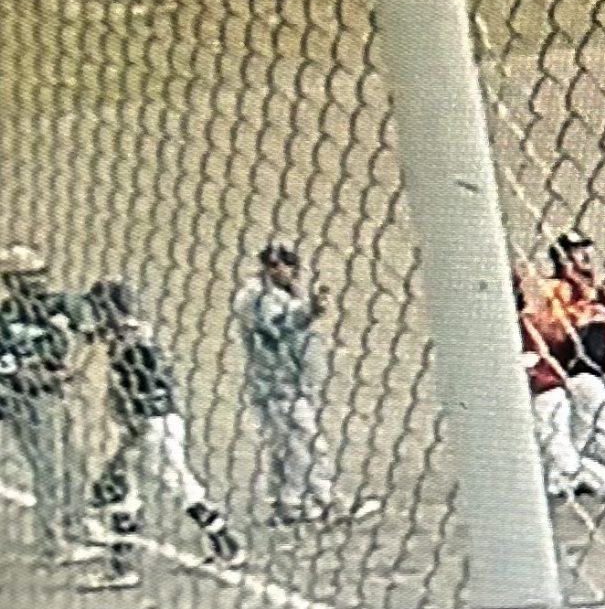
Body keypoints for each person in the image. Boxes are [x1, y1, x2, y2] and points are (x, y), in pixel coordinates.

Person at [79, 280, 245, 591]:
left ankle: (122, 568)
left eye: (99, 308)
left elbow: (143, 390)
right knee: (155, 486)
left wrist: (133, 430)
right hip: (155, 423)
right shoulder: (129, 334)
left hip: (150, 425)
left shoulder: (133, 343)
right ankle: (226, 545)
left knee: (137, 490)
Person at [233, 244, 374, 526]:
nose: (281, 270)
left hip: (289, 382)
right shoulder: (256, 297)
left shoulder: (285, 293)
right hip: (277, 386)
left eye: (287, 264)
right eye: (274, 265)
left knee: (289, 446)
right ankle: (322, 501)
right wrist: (310, 311)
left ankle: (292, 504)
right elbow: (277, 324)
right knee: (306, 443)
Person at [1, 245, 104, 564]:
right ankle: (54, 543)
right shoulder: (3, 319)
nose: (39, 280)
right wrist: (41, 376)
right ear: (10, 281)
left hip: (52, 396)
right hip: (21, 400)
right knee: (48, 469)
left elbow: (90, 335)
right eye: (28, 275)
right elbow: (10, 371)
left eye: (40, 272)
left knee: (74, 462)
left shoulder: (60, 304)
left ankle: (76, 523)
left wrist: (74, 368)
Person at [535, 231, 605, 515]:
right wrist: (579, 316)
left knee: (580, 432)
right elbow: (552, 332)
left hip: (594, 372)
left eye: (586, 249)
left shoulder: (596, 290)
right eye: (577, 251)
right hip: (576, 372)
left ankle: (561, 480)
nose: (585, 256)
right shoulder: (557, 288)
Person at [514, 273, 580, 500]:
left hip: (546, 388)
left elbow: (540, 352)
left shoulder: (523, 323)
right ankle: (557, 480)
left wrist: (561, 376)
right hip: (543, 388)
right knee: (549, 436)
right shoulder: (526, 321)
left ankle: (595, 482)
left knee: (554, 438)